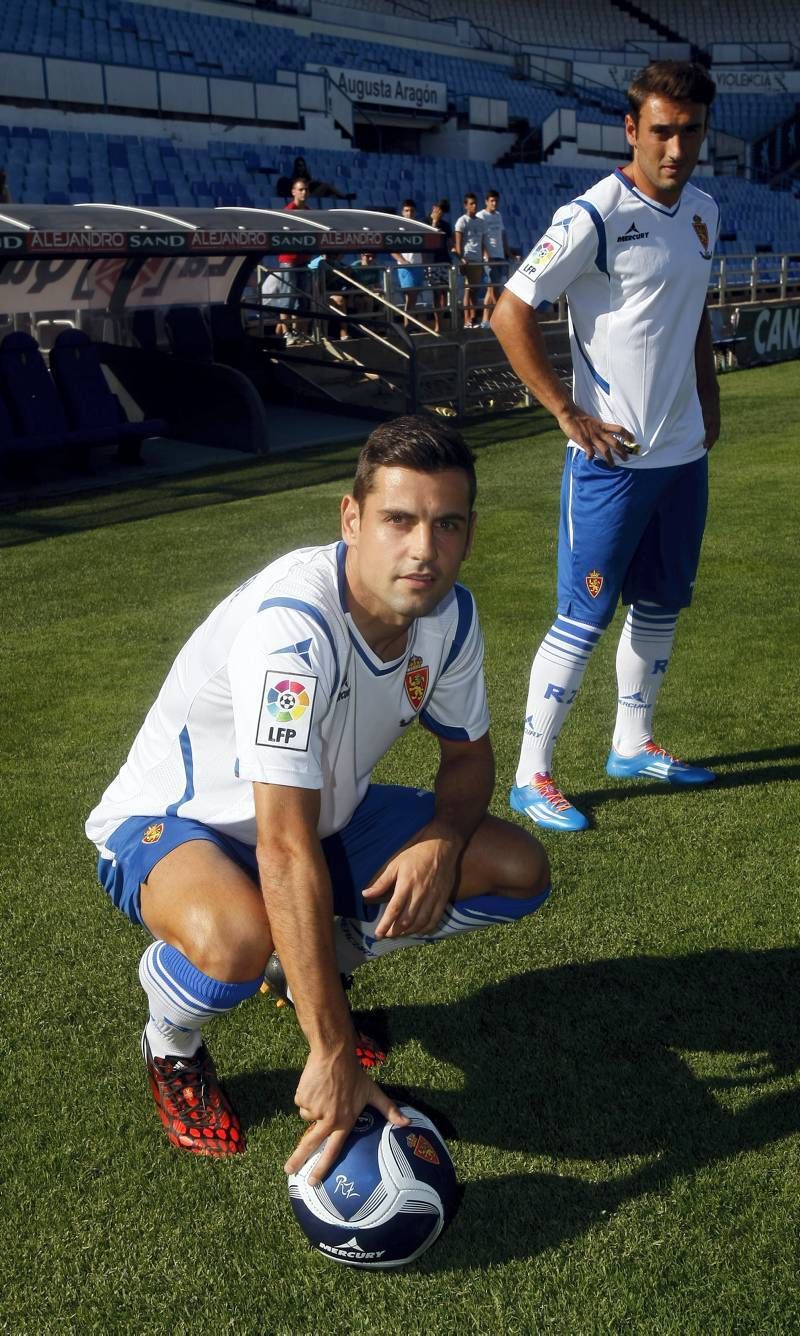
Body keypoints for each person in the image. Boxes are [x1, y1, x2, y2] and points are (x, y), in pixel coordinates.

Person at [85, 415, 552, 1179]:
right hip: (179, 823)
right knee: (238, 939)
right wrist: (330, 1050)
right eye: (398, 520)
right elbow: (282, 844)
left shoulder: (450, 615)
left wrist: (441, 837)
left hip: (320, 816)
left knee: (514, 867)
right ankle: (171, 1039)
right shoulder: (292, 636)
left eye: (446, 525)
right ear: (352, 518)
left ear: (468, 534)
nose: (422, 550)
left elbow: (468, 760)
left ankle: (310, 963)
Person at [490, 60, 720, 832]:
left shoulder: (704, 212)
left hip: (682, 455)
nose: (676, 148)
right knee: (581, 619)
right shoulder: (591, 215)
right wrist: (566, 411)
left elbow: (691, 314)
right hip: (612, 461)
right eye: (661, 131)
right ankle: (532, 776)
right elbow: (509, 312)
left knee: (660, 605)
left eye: (690, 132)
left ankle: (631, 741)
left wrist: (709, 395)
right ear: (632, 129)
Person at [277, 176, 312, 344]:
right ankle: (286, 332)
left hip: (304, 259)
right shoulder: (287, 211)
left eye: (306, 189)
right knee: (287, 297)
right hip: (289, 259)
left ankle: (298, 332)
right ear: (293, 192)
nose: (304, 192)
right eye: (301, 189)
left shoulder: (309, 212)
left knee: (302, 297)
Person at [453, 193, 489, 330]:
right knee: (468, 290)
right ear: (465, 205)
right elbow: (458, 242)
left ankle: (473, 318)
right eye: (471, 203)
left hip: (478, 260)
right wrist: (461, 258)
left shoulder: (480, 222)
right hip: (467, 260)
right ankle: (467, 320)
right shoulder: (462, 221)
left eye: (475, 203)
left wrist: (485, 256)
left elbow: (483, 243)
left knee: (475, 290)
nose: (474, 206)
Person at [477, 189, 513, 327]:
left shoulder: (498, 215)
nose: (494, 203)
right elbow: (481, 237)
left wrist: (508, 253)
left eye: (496, 201)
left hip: (500, 256)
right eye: (492, 200)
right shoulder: (481, 216)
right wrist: (486, 255)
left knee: (492, 289)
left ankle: (486, 320)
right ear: (486, 201)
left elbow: (502, 236)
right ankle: (500, 317)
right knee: (493, 288)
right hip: (490, 258)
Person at [391, 200, 425, 328]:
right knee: (410, 295)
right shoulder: (398, 228)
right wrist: (404, 262)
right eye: (406, 211)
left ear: (415, 212)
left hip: (418, 265)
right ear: (402, 212)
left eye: (411, 211)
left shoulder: (418, 227)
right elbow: (392, 250)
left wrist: (424, 263)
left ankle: (409, 323)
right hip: (406, 267)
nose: (409, 213)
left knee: (414, 296)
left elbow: (423, 247)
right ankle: (407, 324)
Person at [425, 199, 453, 335]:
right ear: (434, 208)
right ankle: (438, 324)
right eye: (439, 210)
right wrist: (434, 224)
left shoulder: (446, 225)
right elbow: (428, 241)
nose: (441, 213)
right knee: (436, 293)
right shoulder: (425, 222)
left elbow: (449, 244)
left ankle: (443, 321)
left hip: (444, 260)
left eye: (443, 211)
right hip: (432, 261)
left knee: (445, 293)